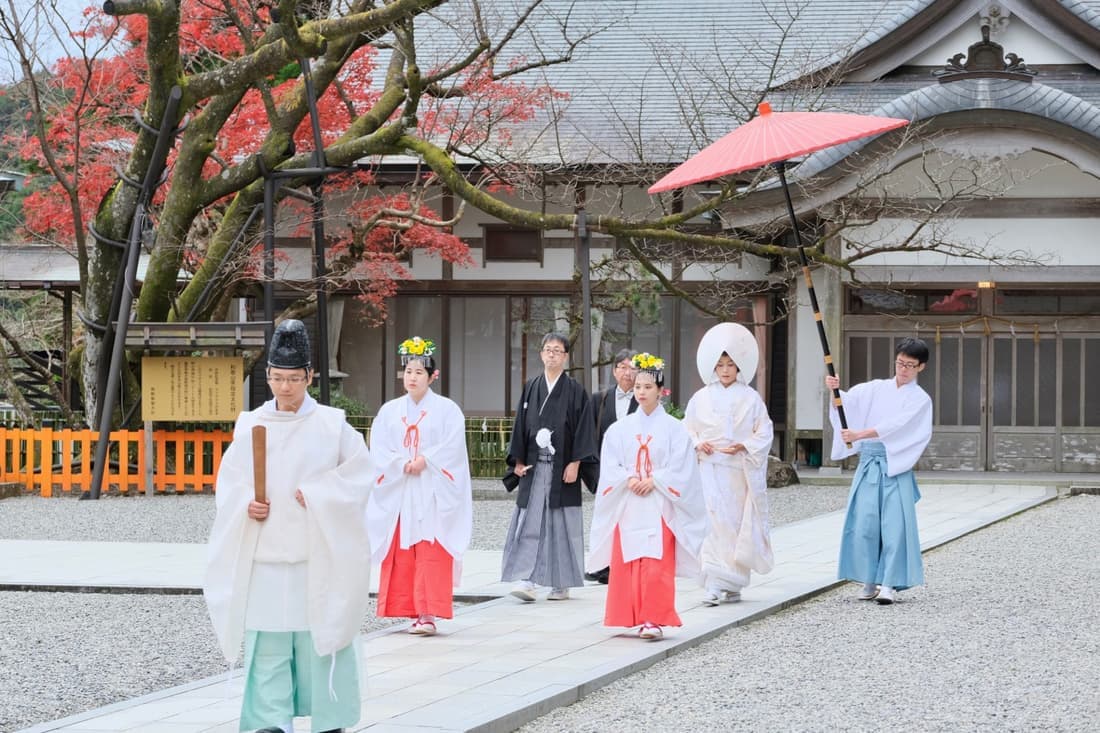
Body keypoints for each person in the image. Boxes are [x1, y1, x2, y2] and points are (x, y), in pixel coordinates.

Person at [203, 319, 373, 733]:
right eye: (278, 378)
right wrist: (247, 504)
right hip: (266, 556)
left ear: (310, 376)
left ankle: (328, 721)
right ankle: (269, 723)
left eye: (294, 379)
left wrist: (320, 495)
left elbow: (361, 475)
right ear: (267, 376)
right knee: (268, 647)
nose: (285, 388)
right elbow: (230, 485)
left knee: (322, 640)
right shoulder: (251, 424)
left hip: (316, 555)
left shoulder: (332, 425)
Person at [587, 352, 707, 640]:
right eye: (638, 386)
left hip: (659, 502)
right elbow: (610, 466)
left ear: (661, 391)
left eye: (648, 387)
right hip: (629, 502)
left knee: (656, 562)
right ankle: (628, 615)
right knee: (630, 559)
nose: (641, 392)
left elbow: (683, 467)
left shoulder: (675, 430)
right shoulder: (619, 429)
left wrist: (656, 480)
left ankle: (653, 618)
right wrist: (628, 478)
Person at [366, 337, 472, 636]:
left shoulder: (448, 410)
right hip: (402, 489)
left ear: (432, 376)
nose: (412, 377)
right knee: (404, 550)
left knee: (430, 549)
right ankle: (409, 609)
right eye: (408, 371)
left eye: (419, 373)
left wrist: (427, 459)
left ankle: (428, 613)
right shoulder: (390, 410)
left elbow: (452, 447)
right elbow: (380, 448)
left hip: (431, 490)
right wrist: (400, 463)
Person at [825, 337, 933, 605]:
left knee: (895, 526)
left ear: (921, 367)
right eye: (900, 363)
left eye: (910, 365)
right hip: (869, 464)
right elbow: (847, 404)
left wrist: (861, 433)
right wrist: (834, 390)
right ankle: (869, 579)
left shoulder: (920, 399)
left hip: (895, 466)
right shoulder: (875, 388)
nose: (903, 369)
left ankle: (889, 584)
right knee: (865, 524)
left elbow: (899, 425)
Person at [502, 332, 598, 602]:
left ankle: (561, 583)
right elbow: (521, 425)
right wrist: (518, 461)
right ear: (541, 354)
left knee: (561, 524)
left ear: (565, 356)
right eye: (548, 350)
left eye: (557, 350)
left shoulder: (576, 391)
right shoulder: (532, 386)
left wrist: (576, 463)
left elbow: (583, 429)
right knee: (530, 522)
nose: (552, 355)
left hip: (561, 468)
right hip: (535, 468)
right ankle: (527, 579)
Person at [684, 322, 774, 606]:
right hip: (708, 467)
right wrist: (698, 444)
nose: (725, 369)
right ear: (713, 366)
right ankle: (712, 583)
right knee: (712, 523)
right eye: (720, 364)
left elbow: (764, 430)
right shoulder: (700, 397)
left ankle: (733, 582)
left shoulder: (751, 397)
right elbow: (687, 429)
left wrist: (745, 445)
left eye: (731, 364)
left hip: (737, 469)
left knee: (736, 525)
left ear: (739, 367)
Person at [582, 348, 639, 584]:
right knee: (604, 519)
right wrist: (594, 473)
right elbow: (589, 435)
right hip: (606, 471)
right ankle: (601, 565)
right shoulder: (599, 398)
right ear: (614, 371)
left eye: (632, 367)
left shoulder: (644, 398)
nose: (627, 372)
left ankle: (627, 562)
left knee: (631, 518)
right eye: (622, 367)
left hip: (634, 472)